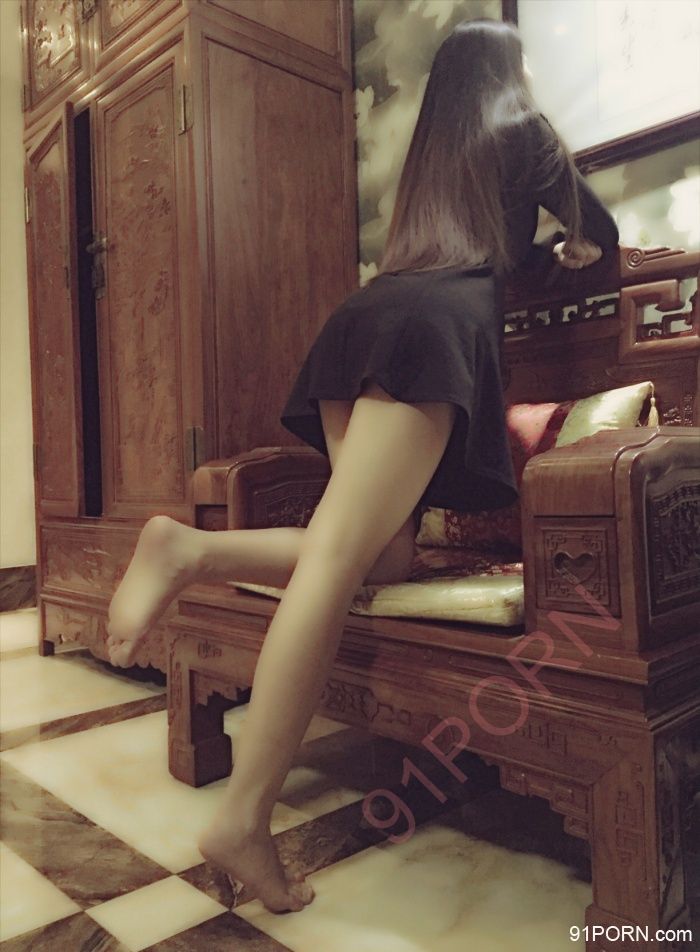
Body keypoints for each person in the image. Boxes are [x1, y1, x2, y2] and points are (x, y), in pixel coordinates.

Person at [105, 18, 619, 914]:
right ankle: (244, 817)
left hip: (365, 318)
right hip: (434, 331)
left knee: (383, 556)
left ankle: (191, 550)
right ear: (506, 73)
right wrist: (566, 245)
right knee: (342, 562)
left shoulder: (434, 156)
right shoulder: (523, 128)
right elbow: (600, 231)